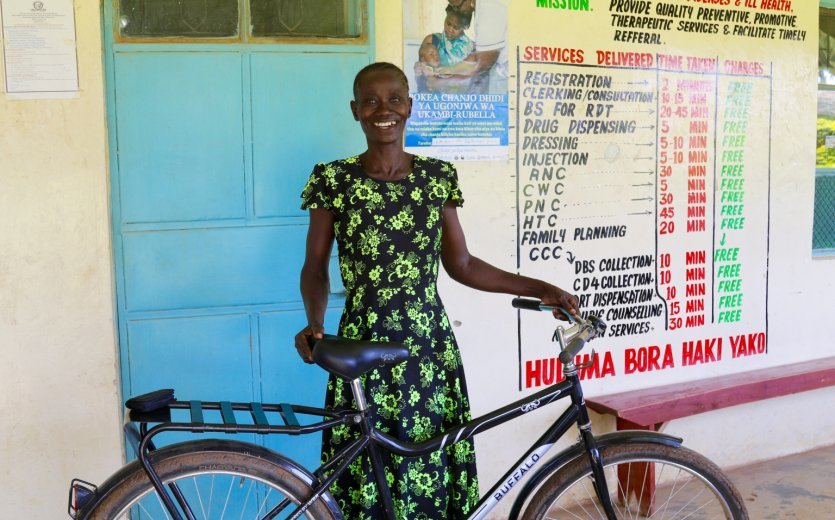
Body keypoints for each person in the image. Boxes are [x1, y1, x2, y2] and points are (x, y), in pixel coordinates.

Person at [295, 62, 579, 519]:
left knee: (429, 457)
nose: (382, 109)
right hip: (363, 339)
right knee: (368, 465)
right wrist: (315, 323)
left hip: (428, 346)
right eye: (370, 100)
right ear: (355, 111)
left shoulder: (436, 177)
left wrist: (541, 287)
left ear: (410, 107)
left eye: (393, 99)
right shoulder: (333, 180)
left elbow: (462, 264)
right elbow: (315, 267)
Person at [429, 0, 508, 94]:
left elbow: (483, 64)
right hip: (500, 76)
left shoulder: (489, 12)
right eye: (452, 6)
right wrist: (451, 69)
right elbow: (477, 56)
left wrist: (447, 82)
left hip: (508, 76)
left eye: (457, 7)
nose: (456, 11)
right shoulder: (480, 9)